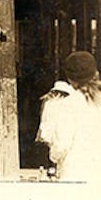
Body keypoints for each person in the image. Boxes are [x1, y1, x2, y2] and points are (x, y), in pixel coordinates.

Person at [36, 50, 101, 182]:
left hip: (75, 172)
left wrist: (53, 156)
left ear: (70, 79)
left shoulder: (69, 104)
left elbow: (62, 144)